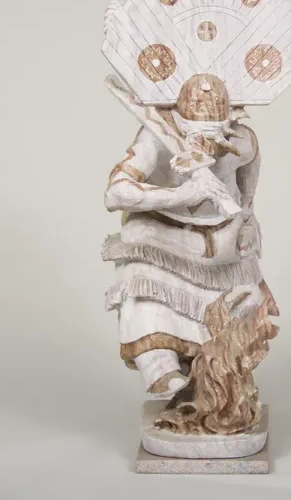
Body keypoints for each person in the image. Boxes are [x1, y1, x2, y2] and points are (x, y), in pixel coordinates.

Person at [103, 73, 269, 398]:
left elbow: (248, 186)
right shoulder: (154, 137)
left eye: (216, 135)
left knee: (243, 303)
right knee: (143, 286)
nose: (208, 145)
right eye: (199, 135)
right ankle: (160, 367)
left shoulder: (243, 141)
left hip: (223, 241)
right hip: (161, 235)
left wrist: (248, 219)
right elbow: (115, 193)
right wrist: (181, 195)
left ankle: (216, 373)